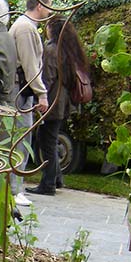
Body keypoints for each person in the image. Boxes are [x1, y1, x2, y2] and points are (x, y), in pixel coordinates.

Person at [27, 17, 88, 195]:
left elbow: (47, 77)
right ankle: (56, 178)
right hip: (64, 101)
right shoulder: (68, 50)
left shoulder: (52, 50)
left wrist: (40, 95)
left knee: (46, 141)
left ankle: (48, 184)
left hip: (53, 101)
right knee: (51, 139)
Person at [9, 0, 51, 206]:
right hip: (20, 92)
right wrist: (41, 94)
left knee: (20, 138)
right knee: (20, 139)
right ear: (40, 6)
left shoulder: (25, 27)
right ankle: (14, 189)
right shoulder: (25, 28)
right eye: (48, 6)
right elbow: (30, 65)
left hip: (22, 91)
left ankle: (15, 188)